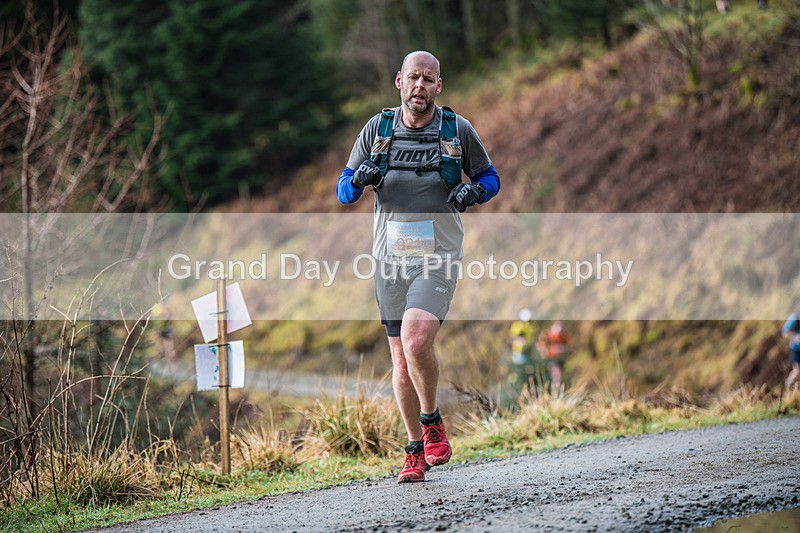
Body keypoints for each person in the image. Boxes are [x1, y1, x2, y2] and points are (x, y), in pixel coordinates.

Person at [336, 51, 500, 483]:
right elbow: (343, 191)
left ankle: (431, 421)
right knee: (400, 360)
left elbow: (490, 177)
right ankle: (414, 449)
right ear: (399, 81)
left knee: (415, 337)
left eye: (428, 79)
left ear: (438, 86)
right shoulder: (378, 129)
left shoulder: (456, 129)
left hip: (438, 256)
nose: (420, 86)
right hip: (389, 261)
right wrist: (359, 178)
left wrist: (473, 194)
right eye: (413, 77)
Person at [536, 321, 571, 389]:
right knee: (555, 374)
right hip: (551, 359)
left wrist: (563, 349)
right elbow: (541, 344)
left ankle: (558, 388)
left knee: (560, 374)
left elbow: (568, 345)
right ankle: (555, 389)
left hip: (560, 358)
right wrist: (544, 351)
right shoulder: (548, 335)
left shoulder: (563, 336)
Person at [781, 311, 800, 388]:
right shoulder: (795, 318)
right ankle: (788, 386)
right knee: (797, 371)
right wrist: (795, 336)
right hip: (796, 349)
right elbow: (785, 331)